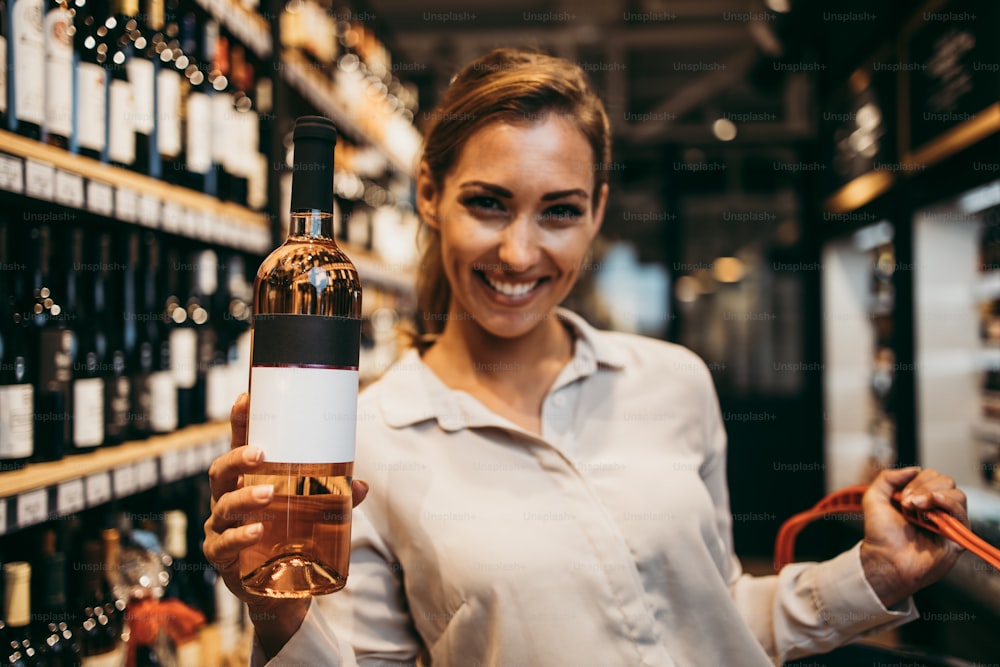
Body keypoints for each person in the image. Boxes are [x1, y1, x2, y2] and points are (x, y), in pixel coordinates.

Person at [203, 48, 969, 666]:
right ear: (430, 195)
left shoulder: (674, 381)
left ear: (598, 210)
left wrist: (874, 572)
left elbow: (718, 612)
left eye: (559, 211)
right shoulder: (367, 437)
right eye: (488, 202)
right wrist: (278, 617)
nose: (519, 251)